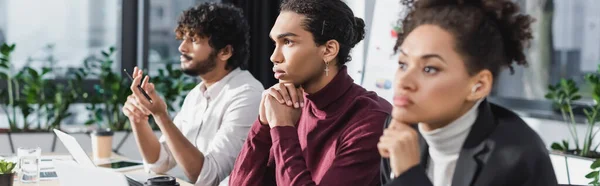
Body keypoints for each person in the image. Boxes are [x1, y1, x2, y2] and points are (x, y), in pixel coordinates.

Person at [377, 0, 558, 185]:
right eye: (403, 64)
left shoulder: (516, 156)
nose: (403, 81)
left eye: (429, 69)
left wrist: (408, 175)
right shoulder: (400, 131)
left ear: (478, 86)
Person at [228, 0, 393, 185]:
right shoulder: (287, 103)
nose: (274, 56)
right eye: (275, 43)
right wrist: (263, 125)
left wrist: (282, 127)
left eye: (288, 42)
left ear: (329, 50)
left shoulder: (372, 121)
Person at [123, 3, 263, 186]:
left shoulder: (248, 96)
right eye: (183, 38)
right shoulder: (196, 95)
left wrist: (161, 116)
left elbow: (210, 177)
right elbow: (159, 162)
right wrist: (139, 120)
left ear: (225, 52)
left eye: (194, 40)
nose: (182, 48)